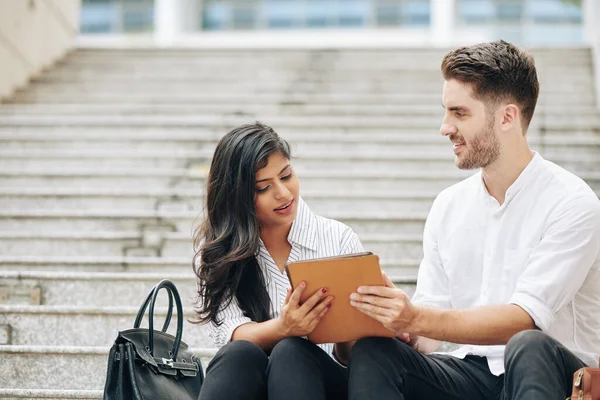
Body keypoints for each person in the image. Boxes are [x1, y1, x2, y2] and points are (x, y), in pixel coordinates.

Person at [347, 40, 600, 400]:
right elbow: (431, 324)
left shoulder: (572, 203)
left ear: (507, 117)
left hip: (553, 374)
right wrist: (397, 322)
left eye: (459, 113)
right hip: (473, 373)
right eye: (446, 112)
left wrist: (416, 317)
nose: (445, 127)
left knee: (528, 344)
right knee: (377, 354)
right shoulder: (448, 206)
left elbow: (524, 319)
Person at [193, 122, 363, 400]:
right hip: (252, 382)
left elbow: (353, 354)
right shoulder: (218, 252)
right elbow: (230, 333)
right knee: (239, 353)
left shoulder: (337, 238)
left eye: (286, 176)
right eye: (263, 187)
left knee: (291, 350)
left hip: (322, 384)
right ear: (238, 197)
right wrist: (284, 327)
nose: (283, 193)